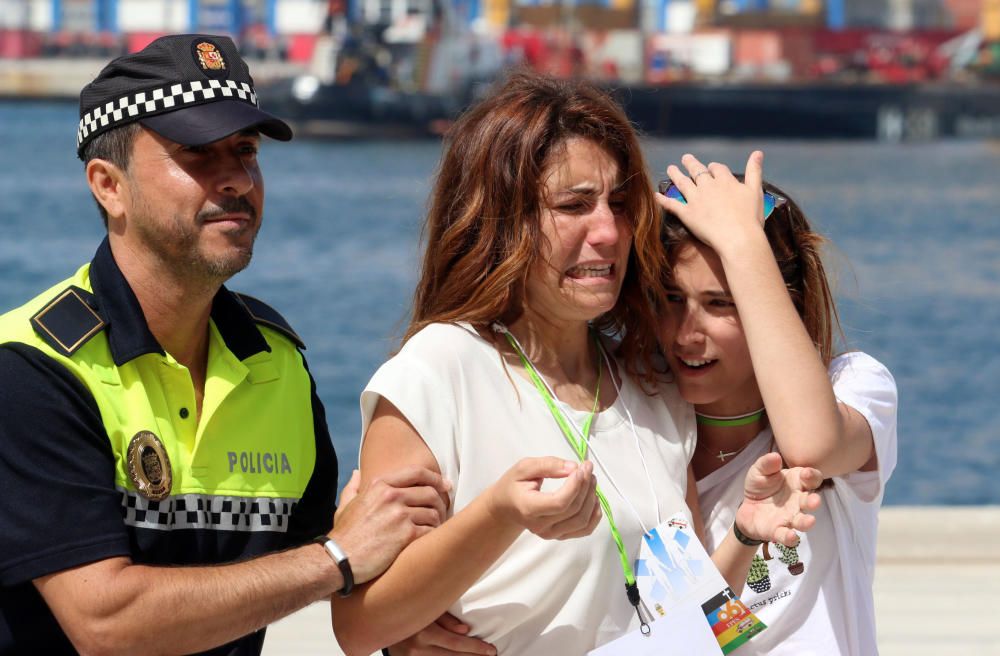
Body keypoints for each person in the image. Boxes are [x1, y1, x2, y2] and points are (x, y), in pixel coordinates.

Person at [331, 72, 822, 656]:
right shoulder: (438, 371)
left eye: (619, 203)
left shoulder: (653, 391)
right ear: (500, 221)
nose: (610, 232)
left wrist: (744, 535)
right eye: (574, 205)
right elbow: (359, 629)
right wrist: (499, 514)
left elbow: (701, 628)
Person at [0, 34, 449, 655]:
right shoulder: (31, 366)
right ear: (108, 185)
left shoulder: (277, 364)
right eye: (198, 155)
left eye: (245, 151)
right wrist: (339, 557)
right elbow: (106, 623)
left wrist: (405, 611)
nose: (236, 178)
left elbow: (317, 556)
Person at [654, 152, 898, 654]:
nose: (686, 334)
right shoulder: (639, 426)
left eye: (721, 303)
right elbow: (701, 636)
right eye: (670, 299)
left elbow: (812, 447)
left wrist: (745, 247)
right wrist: (743, 540)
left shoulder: (852, 384)